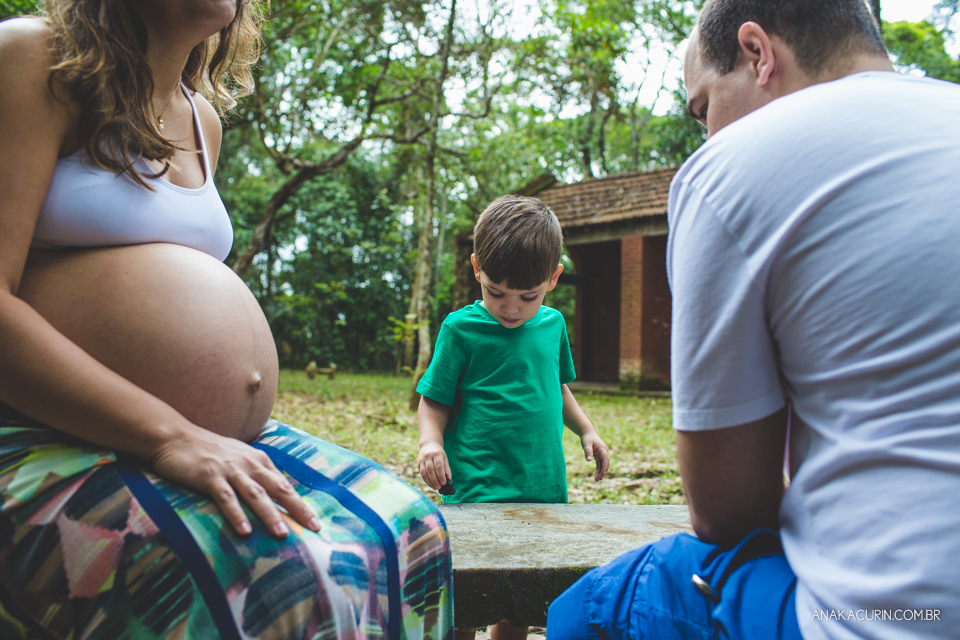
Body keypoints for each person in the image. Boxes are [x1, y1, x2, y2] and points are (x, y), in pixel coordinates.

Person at [0, 1, 452, 638]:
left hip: (208, 438)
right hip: (47, 429)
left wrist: (191, 427)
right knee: (275, 581)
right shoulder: (34, 59)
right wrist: (169, 436)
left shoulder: (201, 120)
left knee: (412, 528)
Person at [547, 0, 960, 638]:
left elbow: (730, 515)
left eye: (704, 108)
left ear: (757, 53)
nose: (708, 135)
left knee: (594, 606)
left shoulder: (729, 169)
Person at [416, 195, 610, 640]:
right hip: (477, 486)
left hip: (539, 485)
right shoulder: (460, 329)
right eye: (496, 292)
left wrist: (587, 429)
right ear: (476, 269)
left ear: (553, 278)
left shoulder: (553, 326)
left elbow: (555, 387)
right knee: (466, 599)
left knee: (516, 602)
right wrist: (431, 443)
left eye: (528, 296)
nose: (511, 308)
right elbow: (434, 400)